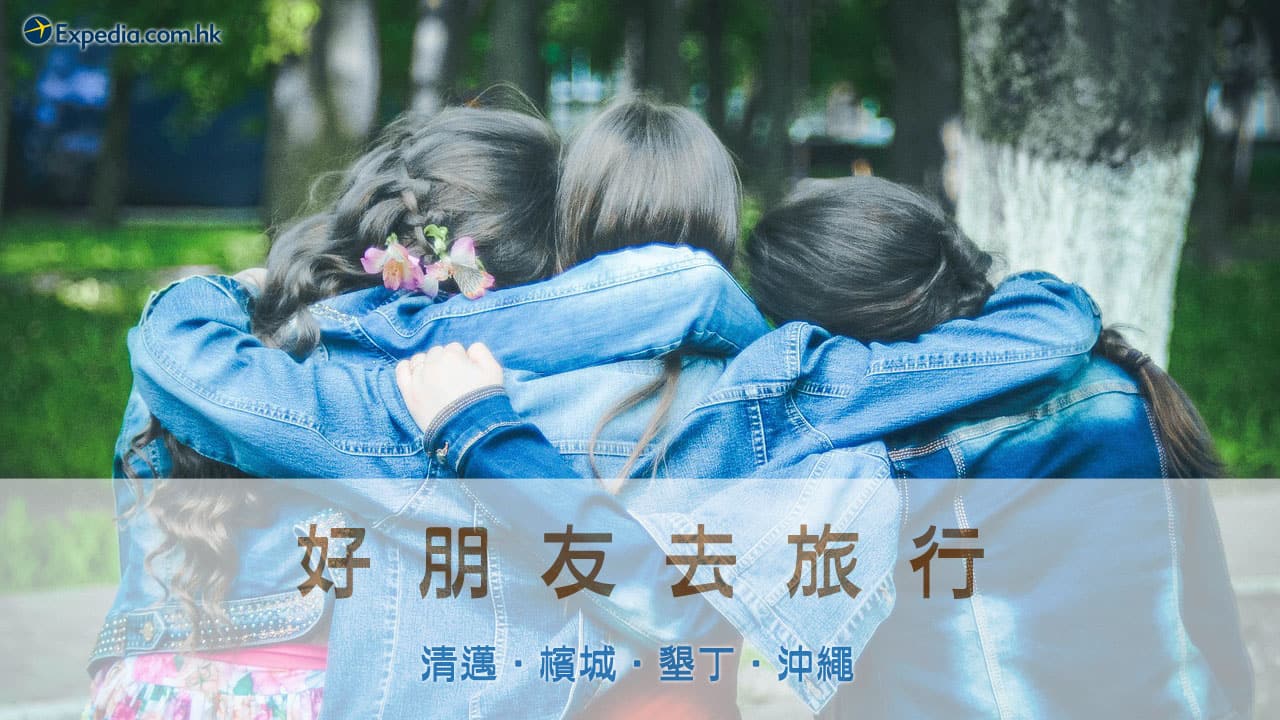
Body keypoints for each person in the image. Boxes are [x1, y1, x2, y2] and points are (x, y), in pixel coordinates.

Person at [394, 176, 1252, 718]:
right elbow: (1212, 634)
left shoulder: (866, 452)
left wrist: (479, 431)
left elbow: (648, 588)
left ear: (823, 330)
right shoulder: (1120, 386)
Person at [89, 103, 561, 718]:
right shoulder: (449, 392)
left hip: (144, 692)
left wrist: (237, 287)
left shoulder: (206, 338)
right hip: (313, 697)